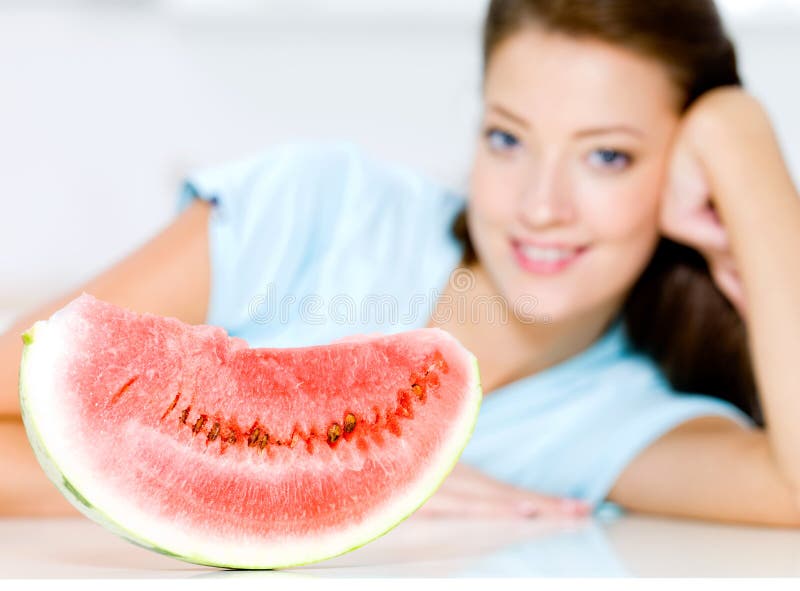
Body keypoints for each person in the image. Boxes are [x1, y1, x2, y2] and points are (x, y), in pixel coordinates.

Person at [2, 0, 800, 526]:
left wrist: (742, 139)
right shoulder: (314, 210)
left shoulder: (611, 418)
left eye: (608, 158)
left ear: (679, 181)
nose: (540, 204)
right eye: (508, 139)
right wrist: (314, 491)